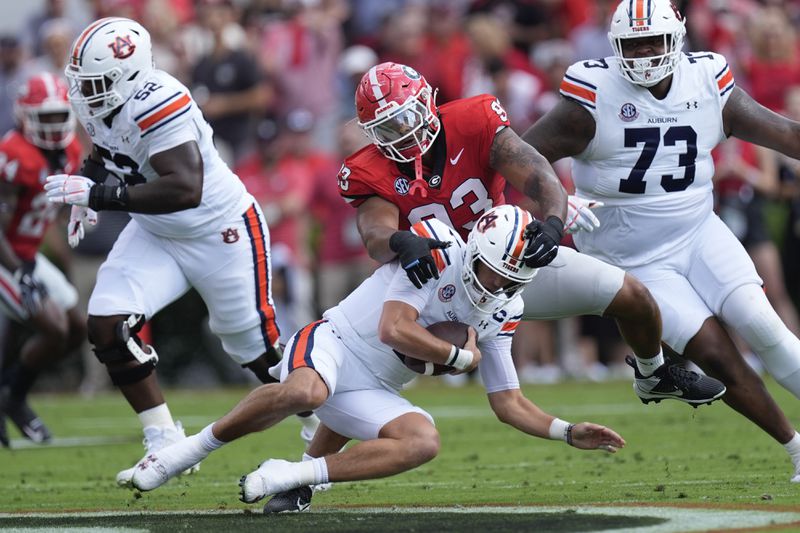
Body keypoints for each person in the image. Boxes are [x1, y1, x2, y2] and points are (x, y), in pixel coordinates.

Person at [258, 59, 726, 513]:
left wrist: (552, 222)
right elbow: (375, 236)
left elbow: (540, 174)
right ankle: (305, 475)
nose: (403, 134)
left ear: (429, 101)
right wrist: (402, 242)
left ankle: (654, 373)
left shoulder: (475, 118)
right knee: (369, 367)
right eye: (388, 127)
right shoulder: (368, 167)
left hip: (509, 265)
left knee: (631, 294)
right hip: (442, 282)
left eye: (407, 119)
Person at [123, 206, 627, 503]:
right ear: (474, 250)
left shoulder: (505, 304)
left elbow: (508, 400)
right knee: (305, 390)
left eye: (513, 281)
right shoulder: (436, 250)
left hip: (375, 387)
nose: (499, 288)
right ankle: (183, 452)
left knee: (423, 441)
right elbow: (393, 328)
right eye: (497, 273)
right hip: (336, 342)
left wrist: (566, 431)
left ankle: (296, 473)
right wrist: (457, 361)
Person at [521, 0, 800, 482]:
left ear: (678, 40)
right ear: (614, 48)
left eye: (655, 41)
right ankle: (796, 448)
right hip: (631, 257)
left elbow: (783, 133)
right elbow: (521, 156)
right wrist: (557, 201)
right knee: (713, 351)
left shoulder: (706, 81)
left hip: (698, 231)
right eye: (634, 44)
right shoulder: (591, 95)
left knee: (763, 324)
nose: (646, 53)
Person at [43, 17, 312, 485]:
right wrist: (88, 183)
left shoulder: (159, 101)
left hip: (218, 230)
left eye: (98, 81)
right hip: (156, 231)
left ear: (130, 75)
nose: (87, 91)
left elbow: (185, 187)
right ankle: (163, 438)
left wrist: (99, 197)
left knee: (260, 353)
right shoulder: (101, 97)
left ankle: (323, 425)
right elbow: (108, 150)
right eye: (82, 81)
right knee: (106, 323)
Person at [0, 72, 86, 446]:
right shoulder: (14, 155)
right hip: (7, 256)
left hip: (27, 254)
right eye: (45, 116)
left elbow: (57, 203)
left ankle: (11, 394)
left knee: (78, 328)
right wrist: (21, 273)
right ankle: (13, 398)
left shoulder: (69, 152)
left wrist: (83, 207)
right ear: (25, 115)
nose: (53, 125)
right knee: (53, 327)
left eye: (57, 115)